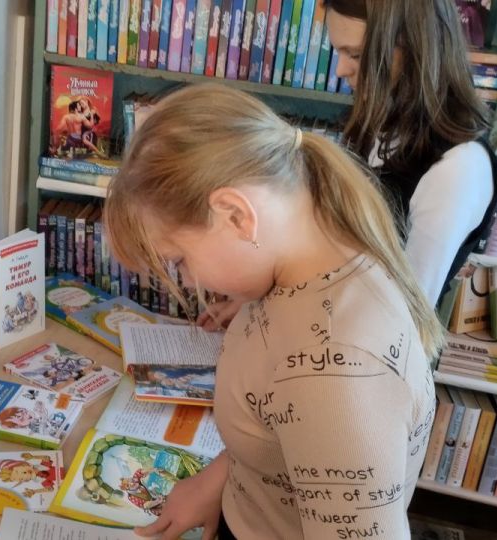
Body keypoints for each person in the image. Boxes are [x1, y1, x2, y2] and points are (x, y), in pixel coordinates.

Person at [104, 83, 443, 539]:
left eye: (179, 261)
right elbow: (282, 426)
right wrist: (218, 481)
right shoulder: (299, 264)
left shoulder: (337, 374)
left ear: (235, 216)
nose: (185, 282)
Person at [200, 0, 497, 331]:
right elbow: (334, 244)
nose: (341, 70)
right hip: (322, 328)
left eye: (356, 55)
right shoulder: (380, 124)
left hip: (364, 349)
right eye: (339, 52)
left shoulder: (457, 168)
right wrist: (261, 300)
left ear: (416, 49)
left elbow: (404, 317)